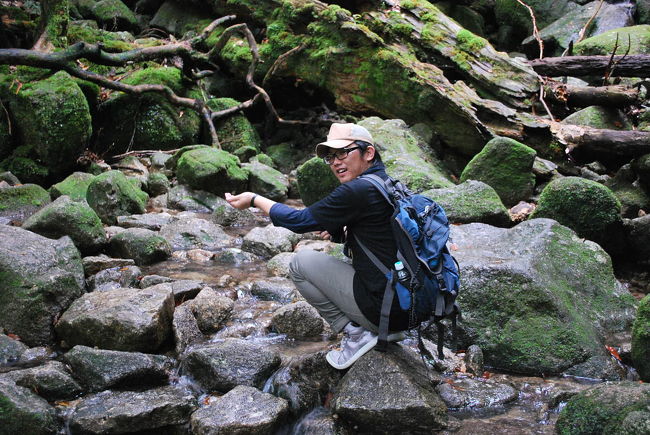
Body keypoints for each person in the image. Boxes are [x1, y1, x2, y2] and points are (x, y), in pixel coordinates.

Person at [226, 123, 407, 370]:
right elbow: (383, 238)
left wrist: (255, 199)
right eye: (330, 157)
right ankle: (385, 325)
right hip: (407, 305)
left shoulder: (358, 190)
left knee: (300, 263)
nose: (335, 162)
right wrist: (344, 233)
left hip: (387, 309)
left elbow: (298, 220)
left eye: (343, 153)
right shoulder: (387, 184)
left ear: (368, 153)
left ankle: (357, 335)